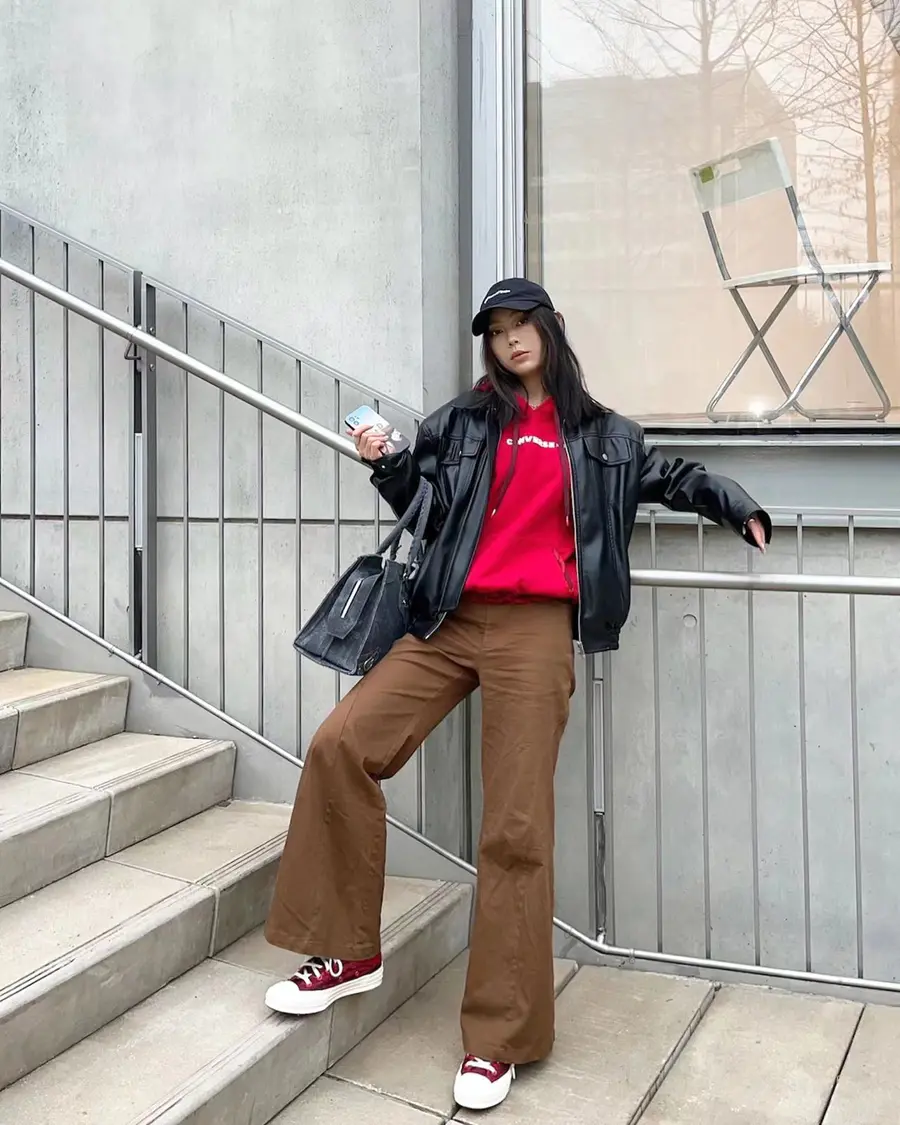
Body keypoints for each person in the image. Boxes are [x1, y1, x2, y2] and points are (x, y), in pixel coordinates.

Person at [264, 278, 771, 1111]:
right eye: (496, 331)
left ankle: (497, 1036)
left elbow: (671, 476)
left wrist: (734, 503)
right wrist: (388, 464)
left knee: (515, 825)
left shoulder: (605, 436)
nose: (509, 341)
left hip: (536, 629)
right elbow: (427, 510)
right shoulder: (465, 422)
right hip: (450, 618)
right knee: (341, 744)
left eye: (520, 325)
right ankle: (347, 950)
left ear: (551, 328)